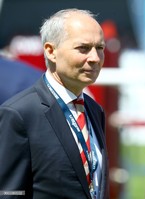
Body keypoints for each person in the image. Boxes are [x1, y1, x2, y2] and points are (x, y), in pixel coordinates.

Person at [0, 9, 109, 199]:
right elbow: (8, 192)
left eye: (100, 48)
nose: (95, 58)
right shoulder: (20, 114)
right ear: (51, 51)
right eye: (83, 48)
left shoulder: (94, 110)